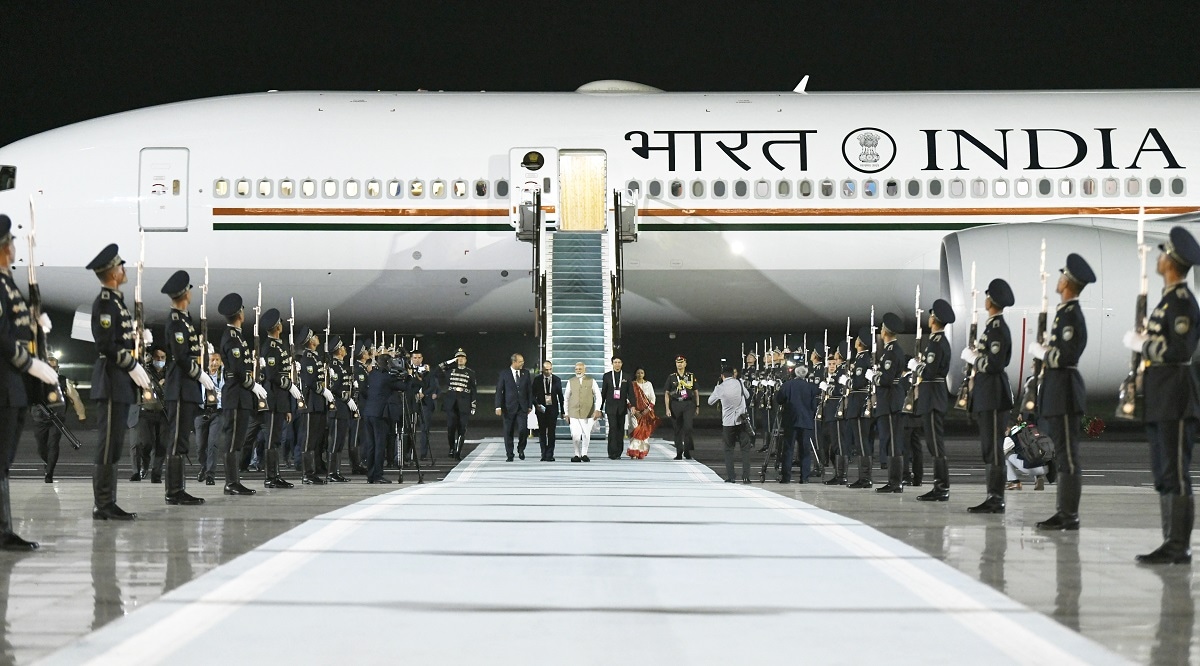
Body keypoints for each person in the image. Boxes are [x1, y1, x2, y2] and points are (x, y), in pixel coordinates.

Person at [1128, 227, 1200, 564]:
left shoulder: (1183, 302)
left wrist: (1145, 345)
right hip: (1160, 396)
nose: (1158, 258)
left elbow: (1180, 349)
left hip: (1176, 395)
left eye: (1162, 253)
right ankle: (1169, 540)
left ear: (1171, 261)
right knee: (1163, 472)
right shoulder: (1167, 300)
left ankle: (1178, 544)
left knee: (1176, 472)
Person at [0, 214, 57, 547]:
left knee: (5, 460)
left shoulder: (8, 283)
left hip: (13, 385)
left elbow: (19, 328)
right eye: (10, 242)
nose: (14, 247)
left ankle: (4, 530)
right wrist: (30, 363)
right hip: (5, 382)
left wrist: (37, 324)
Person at [1029, 253, 1095, 530]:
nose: (1057, 280)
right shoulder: (1064, 313)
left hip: (1066, 391)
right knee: (1061, 455)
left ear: (1067, 282)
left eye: (1061, 276)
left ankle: (1069, 515)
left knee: (1068, 457)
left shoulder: (1071, 315)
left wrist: (1044, 353)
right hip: (1058, 391)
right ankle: (1063, 512)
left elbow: (1066, 356)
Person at [87, 243, 152, 520]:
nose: (125, 270)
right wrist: (131, 363)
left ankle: (108, 502)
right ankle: (103, 504)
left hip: (120, 381)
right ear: (113, 272)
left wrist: (139, 342)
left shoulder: (116, 302)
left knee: (114, 444)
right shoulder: (104, 302)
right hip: (111, 379)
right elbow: (105, 343)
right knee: (108, 443)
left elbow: (121, 340)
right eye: (121, 266)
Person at [964, 278, 1015, 514]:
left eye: (987, 296)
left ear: (991, 301)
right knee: (989, 447)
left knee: (993, 447)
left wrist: (975, 359)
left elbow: (994, 363)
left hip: (994, 394)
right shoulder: (992, 327)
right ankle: (992, 496)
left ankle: (996, 498)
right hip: (988, 393)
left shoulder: (997, 328)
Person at [160, 270, 209, 505]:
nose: (191, 293)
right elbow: (180, 356)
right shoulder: (176, 321)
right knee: (177, 439)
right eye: (189, 290)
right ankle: (173, 491)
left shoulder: (185, 320)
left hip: (186, 388)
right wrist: (199, 374)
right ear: (184, 294)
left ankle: (178, 489)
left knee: (181, 441)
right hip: (180, 387)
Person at [217, 292, 267, 496]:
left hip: (241, 395)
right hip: (236, 394)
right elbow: (237, 370)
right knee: (233, 440)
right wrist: (253, 385)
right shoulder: (231, 337)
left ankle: (234, 480)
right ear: (239, 313)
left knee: (237, 440)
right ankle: (231, 482)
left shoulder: (237, 336)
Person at [915, 299, 955, 502]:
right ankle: (940, 486)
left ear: (934, 319)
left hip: (932, 396)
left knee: (935, 444)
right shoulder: (939, 341)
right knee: (934, 444)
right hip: (933, 395)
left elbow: (929, 372)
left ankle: (941, 487)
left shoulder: (936, 342)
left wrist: (917, 367)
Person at [258, 308, 298, 488]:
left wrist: (287, 406)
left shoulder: (278, 346)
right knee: (272, 439)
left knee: (276, 439)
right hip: (273, 398)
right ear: (277, 327)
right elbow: (273, 375)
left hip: (280, 400)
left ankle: (276, 475)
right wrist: (289, 385)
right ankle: (271, 476)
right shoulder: (270, 347)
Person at [32, 356, 84, 483]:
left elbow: (74, 397)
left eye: (54, 367)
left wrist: (81, 414)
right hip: (40, 419)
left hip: (57, 418)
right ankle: (47, 462)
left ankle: (49, 473)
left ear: (57, 368)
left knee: (53, 444)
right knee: (41, 448)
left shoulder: (62, 380)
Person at [361, 351, 409, 483]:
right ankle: (377, 475)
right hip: (380, 414)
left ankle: (370, 475)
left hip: (369, 412)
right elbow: (404, 387)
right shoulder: (388, 378)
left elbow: (364, 390)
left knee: (371, 445)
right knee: (380, 445)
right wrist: (408, 375)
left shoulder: (372, 374)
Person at [874, 313, 908, 493]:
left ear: (885, 330)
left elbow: (886, 379)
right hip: (890, 399)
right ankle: (894, 481)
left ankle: (895, 482)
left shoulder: (891, 352)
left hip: (890, 400)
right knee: (890, 441)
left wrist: (875, 377)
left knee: (893, 441)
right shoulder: (892, 350)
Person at [296, 327, 333, 484]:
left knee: (315, 439)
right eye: (315, 337)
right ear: (311, 341)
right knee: (308, 440)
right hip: (311, 403)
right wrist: (323, 391)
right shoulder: (308, 359)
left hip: (317, 404)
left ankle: (314, 470)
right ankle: (307, 474)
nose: (318, 338)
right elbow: (311, 382)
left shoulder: (316, 358)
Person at [776, 365, 821, 483]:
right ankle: (804, 477)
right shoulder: (810, 387)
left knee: (788, 449)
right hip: (806, 421)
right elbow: (814, 405)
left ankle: (786, 477)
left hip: (791, 421)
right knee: (805, 450)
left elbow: (779, 399)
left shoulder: (787, 385)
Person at [709, 365, 751, 483]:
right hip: (742, 420)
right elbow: (747, 396)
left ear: (722, 376)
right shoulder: (739, 383)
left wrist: (717, 390)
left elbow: (710, 401)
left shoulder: (720, 387)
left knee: (728, 450)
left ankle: (731, 477)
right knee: (745, 449)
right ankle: (746, 476)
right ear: (733, 374)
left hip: (728, 423)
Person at [132, 347, 167, 483]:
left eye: (162, 357)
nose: (159, 360)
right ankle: (145, 463)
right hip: (146, 412)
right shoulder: (145, 372)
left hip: (163, 412)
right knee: (146, 443)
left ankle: (156, 474)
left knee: (162, 444)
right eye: (157, 357)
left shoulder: (169, 373)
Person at [844, 328, 874, 488]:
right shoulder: (862, 359)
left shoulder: (862, 360)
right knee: (862, 441)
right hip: (859, 402)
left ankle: (865, 478)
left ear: (860, 343)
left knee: (862, 441)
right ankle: (864, 477)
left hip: (859, 403)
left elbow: (859, 383)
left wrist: (847, 382)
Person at [495, 353, 533, 462]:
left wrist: (529, 405)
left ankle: (521, 448)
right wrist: (498, 406)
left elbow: (529, 391)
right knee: (508, 432)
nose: (522, 363)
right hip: (508, 407)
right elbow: (499, 391)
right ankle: (509, 454)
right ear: (514, 362)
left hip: (522, 407)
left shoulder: (526, 373)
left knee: (523, 430)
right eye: (520, 361)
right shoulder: (504, 374)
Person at [325, 335, 352, 482]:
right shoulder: (335, 366)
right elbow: (334, 388)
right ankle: (331, 472)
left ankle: (337, 471)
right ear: (338, 350)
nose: (345, 349)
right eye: (342, 347)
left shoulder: (341, 365)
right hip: (337, 407)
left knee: (340, 441)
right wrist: (346, 398)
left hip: (343, 409)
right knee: (335, 441)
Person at [194, 351, 223, 485]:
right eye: (212, 360)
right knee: (200, 446)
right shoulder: (200, 375)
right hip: (201, 412)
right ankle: (204, 466)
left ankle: (210, 474)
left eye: (217, 360)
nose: (214, 363)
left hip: (217, 412)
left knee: (213, 443)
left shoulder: (223, 376)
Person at [441, 348, 476, 460]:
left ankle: (457, 452)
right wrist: (450, 362)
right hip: (451, 403)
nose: (460, 359)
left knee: (462, 428)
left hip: (464, 404)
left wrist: (473, 404)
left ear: (466, 360)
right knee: (451, 428)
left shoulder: (471, 373)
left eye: (462, 357)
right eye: (458, 357)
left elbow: (474, 390)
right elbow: (438, 370)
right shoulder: (449, 371)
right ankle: (452, 448)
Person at [563, 362, 601, 462]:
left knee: (586, 434)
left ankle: (584, 454)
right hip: (573, 412)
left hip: (588, 413)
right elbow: (566, 398)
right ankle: (576, 454)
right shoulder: (570, 381)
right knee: (575, 434)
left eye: (580, 369)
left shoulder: (591, 381)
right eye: (577, 369)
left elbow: (598, 396)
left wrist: (597, 409)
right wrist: (566, 413)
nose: (578, 371)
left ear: (585, 370)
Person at [664, 356, 699, 459]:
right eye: (677, 362)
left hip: (688, 404)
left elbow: (696, 391)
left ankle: (687, 451)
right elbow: (666, 393)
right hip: (675, 404)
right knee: (677, 429)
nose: (679, 364)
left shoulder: (690, 376)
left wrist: (697, 406)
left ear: (685, 363)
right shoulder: (671, 377)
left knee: (688, 427)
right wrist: (667, 408)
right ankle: (679, 452)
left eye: (681, 362)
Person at [406, 350, 438, 460]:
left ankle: (423, 454)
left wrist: (424, 393)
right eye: (415, 357)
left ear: (422, 358)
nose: (417, 359)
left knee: (425, 429)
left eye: (419, 357)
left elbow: (433, 385)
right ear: (411, 358)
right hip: (412, 402)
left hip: (425, 402)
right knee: (410, 428)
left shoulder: (428, 371)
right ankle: (409, 453)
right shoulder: (408, 370)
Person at [601, 357, 633, 460]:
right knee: (612, 428)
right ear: (612, 364)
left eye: (619, 362)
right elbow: (604, 393)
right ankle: (612, 452)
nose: (617, 364)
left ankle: (619, 452)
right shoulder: (607, 376)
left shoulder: (627, 376)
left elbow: (631, 393)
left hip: (622, 407)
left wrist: (633, 406)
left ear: (622, 364)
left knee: (620, 429)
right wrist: (599, 408)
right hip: (610, 407)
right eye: (615, 362)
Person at [532, 360, 563, 461]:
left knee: (551, 432)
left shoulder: (557, 380)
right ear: (542, 370)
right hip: (541, 409)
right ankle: (543, 453)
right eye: (546, 370)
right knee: (542, 432)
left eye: (550, 369)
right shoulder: (537, 380)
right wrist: (536, 405)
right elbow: (532, 394)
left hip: (552, 410)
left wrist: (563, 411)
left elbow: (560, 396)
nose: (548, 372)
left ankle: (550, 454)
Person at [1003, 425, 1047, 491]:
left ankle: (1015, 482)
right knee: (1034, 454)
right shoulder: (1030, 431)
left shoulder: (1011, 436)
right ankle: (1039, 476)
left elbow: (1001, 453)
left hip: (1030, 468)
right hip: (1045, 467)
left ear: (1007, 428)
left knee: (1006, 455)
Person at [627, 367, 657, 459]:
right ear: (635, 374)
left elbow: (653, 398)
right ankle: (633, 451)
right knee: (635, 429)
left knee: (644, 431)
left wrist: (647, 410)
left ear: (644, 374)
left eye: (642, 373)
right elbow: (627, 398)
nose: (640, 375)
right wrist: (634, 410)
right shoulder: (632, 384)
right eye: (638, 373)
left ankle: (641, 451)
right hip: (633, 411)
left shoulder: (648, 384)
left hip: (646, 412)